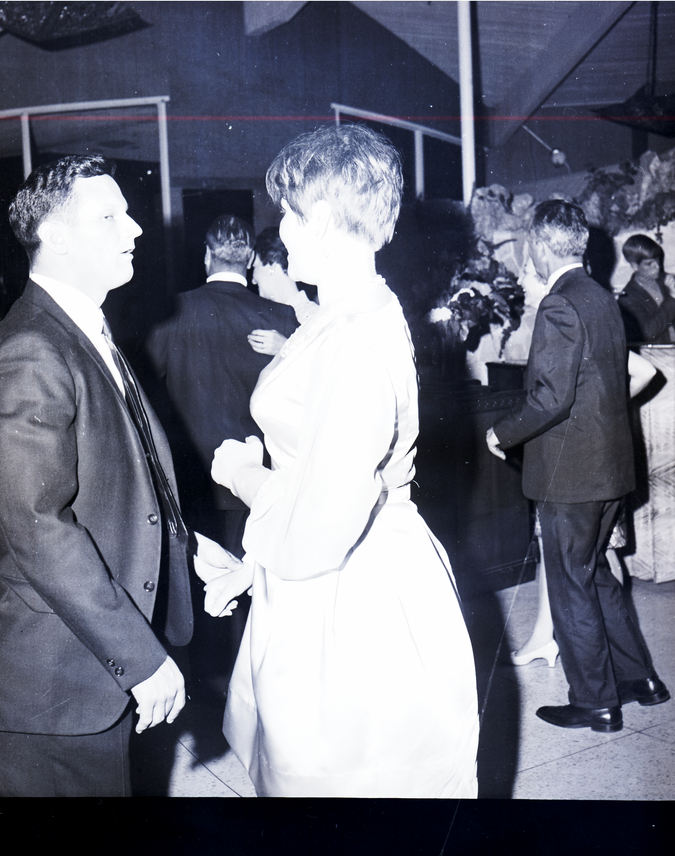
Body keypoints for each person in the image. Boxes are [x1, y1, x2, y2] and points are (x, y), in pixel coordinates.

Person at [0, 155, 243, 797]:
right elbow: (38, 528)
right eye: (110, 216)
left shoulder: (79, 331)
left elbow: (112, 485)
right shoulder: (31, 350)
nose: (135, 229)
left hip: (77, 665)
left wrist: (185, 550)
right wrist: (141, 657)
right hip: (50, 683)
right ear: (56, 235)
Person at [204, 124, 480, 797]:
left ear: (323, 219)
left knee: (335, 781)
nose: (281, 231)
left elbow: (325, 519)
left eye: (288, 214)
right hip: (338, 567)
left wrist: (239, 473)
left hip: (347, 590)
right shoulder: (345, 314)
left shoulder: (352, 336)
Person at [486, 199, 669, 732]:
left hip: (573, 474)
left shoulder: (559, 303)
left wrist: (501, 432)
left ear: (542, 246)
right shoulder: (601, 297)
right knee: (595, 573)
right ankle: (640, 680)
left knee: (570, 584)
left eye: (529, 246)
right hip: (610, 468)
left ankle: (595, 702)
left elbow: (551, 397)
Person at [144, 215, 298, 696]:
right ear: (249, 259)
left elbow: (144, 392)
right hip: (261, 480)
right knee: (262, 584)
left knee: (198, 585)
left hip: (192, 479)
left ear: (207, 256)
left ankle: (208, 692)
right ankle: (260, 688)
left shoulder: (173, 313)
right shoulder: (281, 318)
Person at [508, 349, 658, 667]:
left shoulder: (584, 329)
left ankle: (617, 651)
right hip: (582, 457)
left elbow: (645, 371)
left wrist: (602, 408)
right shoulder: (586, 328)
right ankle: (544, 638)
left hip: (587, 461)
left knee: (599, 554)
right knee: (561, 549)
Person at [247, 226, 318, 356]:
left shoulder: (313, 315)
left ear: (272, 265)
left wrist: (284, 347)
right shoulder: (263, 315)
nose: (253, 280)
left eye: (255, 266)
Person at [617, 233, 675, 344]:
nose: (657, 266)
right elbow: (648, 332)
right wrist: (672, 297)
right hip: (654, 353)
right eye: (649, 264)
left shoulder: (665, 280)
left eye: (657, 259)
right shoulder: (627, 298)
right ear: (635, 266)